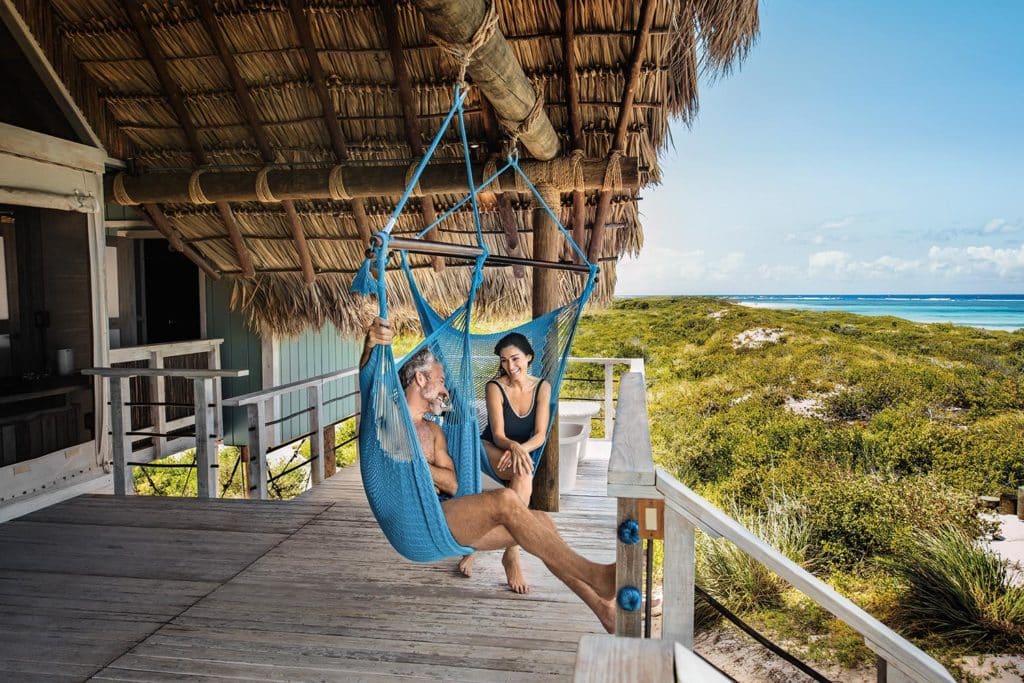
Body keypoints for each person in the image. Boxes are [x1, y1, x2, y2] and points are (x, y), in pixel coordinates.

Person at [361, 317, 615, 632]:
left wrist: (419, 467)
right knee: (505, 500)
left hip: (441, 518)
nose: (444, 389)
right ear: (420, 379)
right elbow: (370, 380)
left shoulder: (435, 433)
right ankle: (597, 575)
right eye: (440, 380)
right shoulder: (388, 417)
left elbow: (453, 484)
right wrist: (370, 345)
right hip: (411, 522)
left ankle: (603, 609)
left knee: (542, 522)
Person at [459, 333, 550, 593]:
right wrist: (513, 447)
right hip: (491, 449)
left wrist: (521, 449)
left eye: (515, 358)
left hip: (520, 453)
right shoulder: (495, 387)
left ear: (529, 357)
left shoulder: (543, 386)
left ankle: (487, 546)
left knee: (522, 477)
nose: (510, 366)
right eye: (504, 360)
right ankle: (511, 553)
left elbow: (541, 435)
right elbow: (498, 434)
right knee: (523, 473)